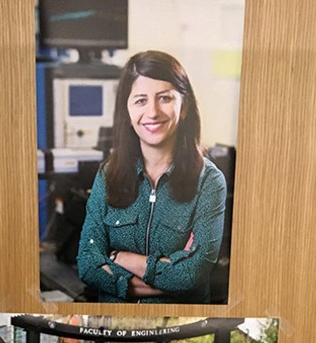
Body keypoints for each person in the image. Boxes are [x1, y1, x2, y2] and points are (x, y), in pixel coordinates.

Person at [76, 51, 227, 304]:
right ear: (127, 109)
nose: (153, 112)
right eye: (140, 100)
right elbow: (88, 264)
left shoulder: (209, 181)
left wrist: (118, 259)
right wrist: (164, 277)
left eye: (164, 98)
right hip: (114, 325)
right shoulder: (107, 174)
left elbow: (191, 274)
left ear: (185, 105)